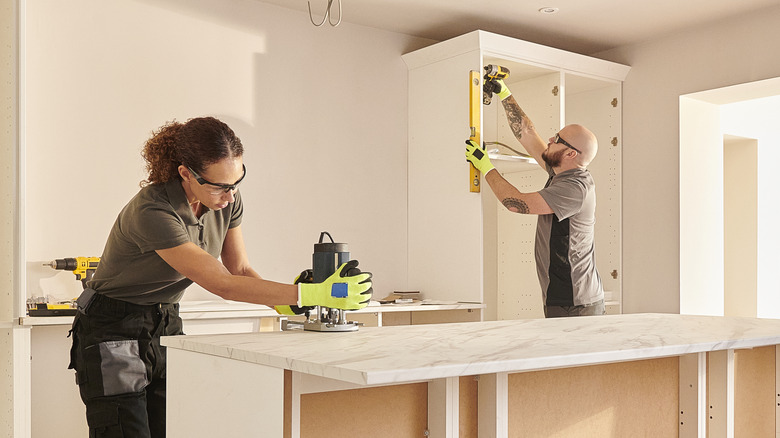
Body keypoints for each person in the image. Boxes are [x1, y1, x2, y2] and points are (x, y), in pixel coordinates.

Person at [67, 116, 372, 437]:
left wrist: (288, 304)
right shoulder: (153, 212)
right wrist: (312, 295)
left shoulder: (227, 201)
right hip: (112, 325)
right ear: (186, 173)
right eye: (220, 186)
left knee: (170, 429)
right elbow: (221, 283)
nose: (230, 196)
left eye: (237, 182)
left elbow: (239, 269)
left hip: (166, 321)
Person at [466, 79, 604, 318]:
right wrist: (504, 93)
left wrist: (485, 166)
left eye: (557, 140)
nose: (550, 140)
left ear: (571, 153)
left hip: (575, 302)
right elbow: (528, 134)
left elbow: (516, 203)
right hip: (565, 297)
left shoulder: (574, 188)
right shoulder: (561, 170)